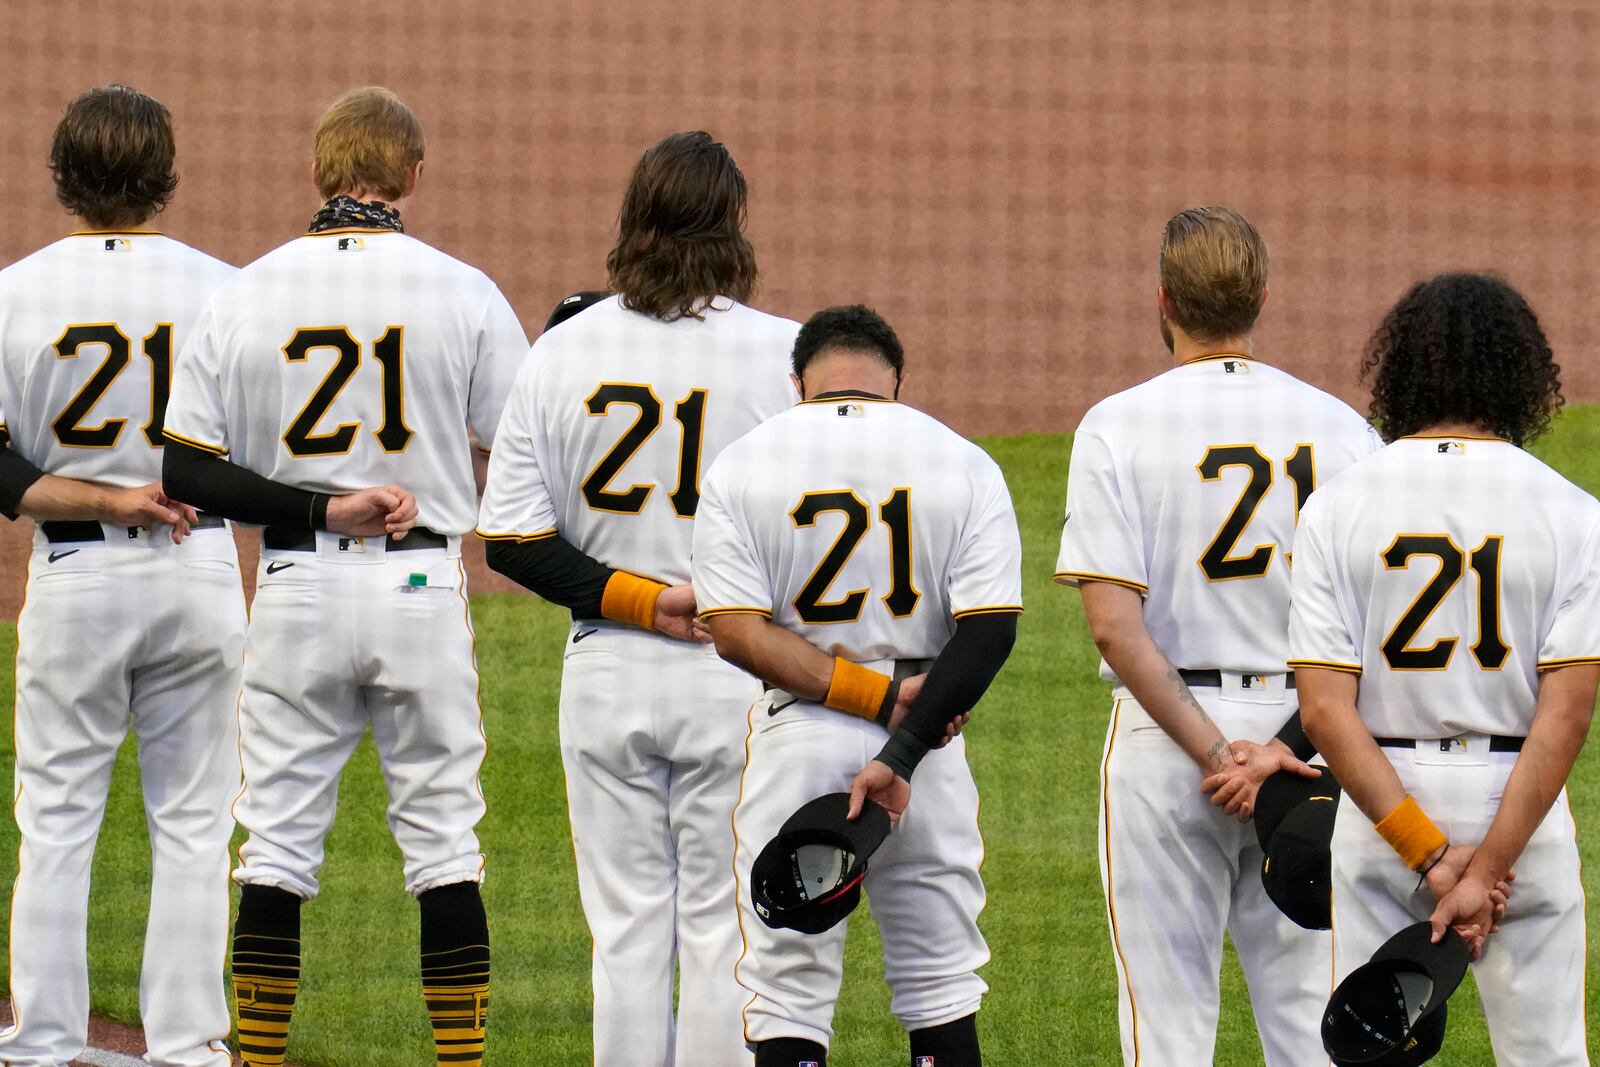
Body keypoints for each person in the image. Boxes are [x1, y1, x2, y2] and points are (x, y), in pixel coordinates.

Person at [160, 86, 527, 1067]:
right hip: (419, 591)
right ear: (412, 175)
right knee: (445, 843)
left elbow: (186, 469)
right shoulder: (463, 288)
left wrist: (315, 499)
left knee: (273, 846)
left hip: (296, 588)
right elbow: (524, 455)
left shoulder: (245, 291)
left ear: (319, 173)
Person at [476, 131, 798, 1066]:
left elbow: (512, 541)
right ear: (733, 226)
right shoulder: (784, 356)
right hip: (736, 674)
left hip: (607, 671)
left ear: (633, 221)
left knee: (623, 934)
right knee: (718, 930)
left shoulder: (563, 349)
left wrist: (631, 597)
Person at [1053, 207, 1378, 1065]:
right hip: (1313, 742)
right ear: (1262, 297)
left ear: (1162, 298)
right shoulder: (1343, 430)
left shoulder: (1117, 424)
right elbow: (1369, 629)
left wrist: (1213, 754)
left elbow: (1115, 629)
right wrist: (1272, 752)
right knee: (1314, 1023)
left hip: (1169, 743)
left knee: (1166, 1028)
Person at [693, 304, 1021, 1067]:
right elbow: (990, 630)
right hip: (926, 747)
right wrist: (904, 735)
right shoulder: (961, 459)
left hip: (799, 735)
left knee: (788, 991)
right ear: (897, 380)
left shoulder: (745, 462)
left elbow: (737, 632)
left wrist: (865, 696)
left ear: (797, 381)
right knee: (940, 984)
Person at [1292, 272, 1596, 1066]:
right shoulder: (1571, 511)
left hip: (1384, 806)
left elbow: (1323, 709)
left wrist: (1432, 857)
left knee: (1369, 1056)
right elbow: (1566, 714)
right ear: (1519, 374)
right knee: (1549, 1058)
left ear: (1402, 371)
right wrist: (1488, 867)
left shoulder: (1338, 505)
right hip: (1520, 810)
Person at [0, 84, 243, 1067]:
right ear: (166, 175)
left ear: (64, 175)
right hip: (200, 573)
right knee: (192, 823)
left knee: (56, 813)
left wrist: (100, 496)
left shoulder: (14, 290)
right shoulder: (231, 290)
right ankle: (189, 1045)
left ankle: (47, 1037)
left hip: (78, 583)